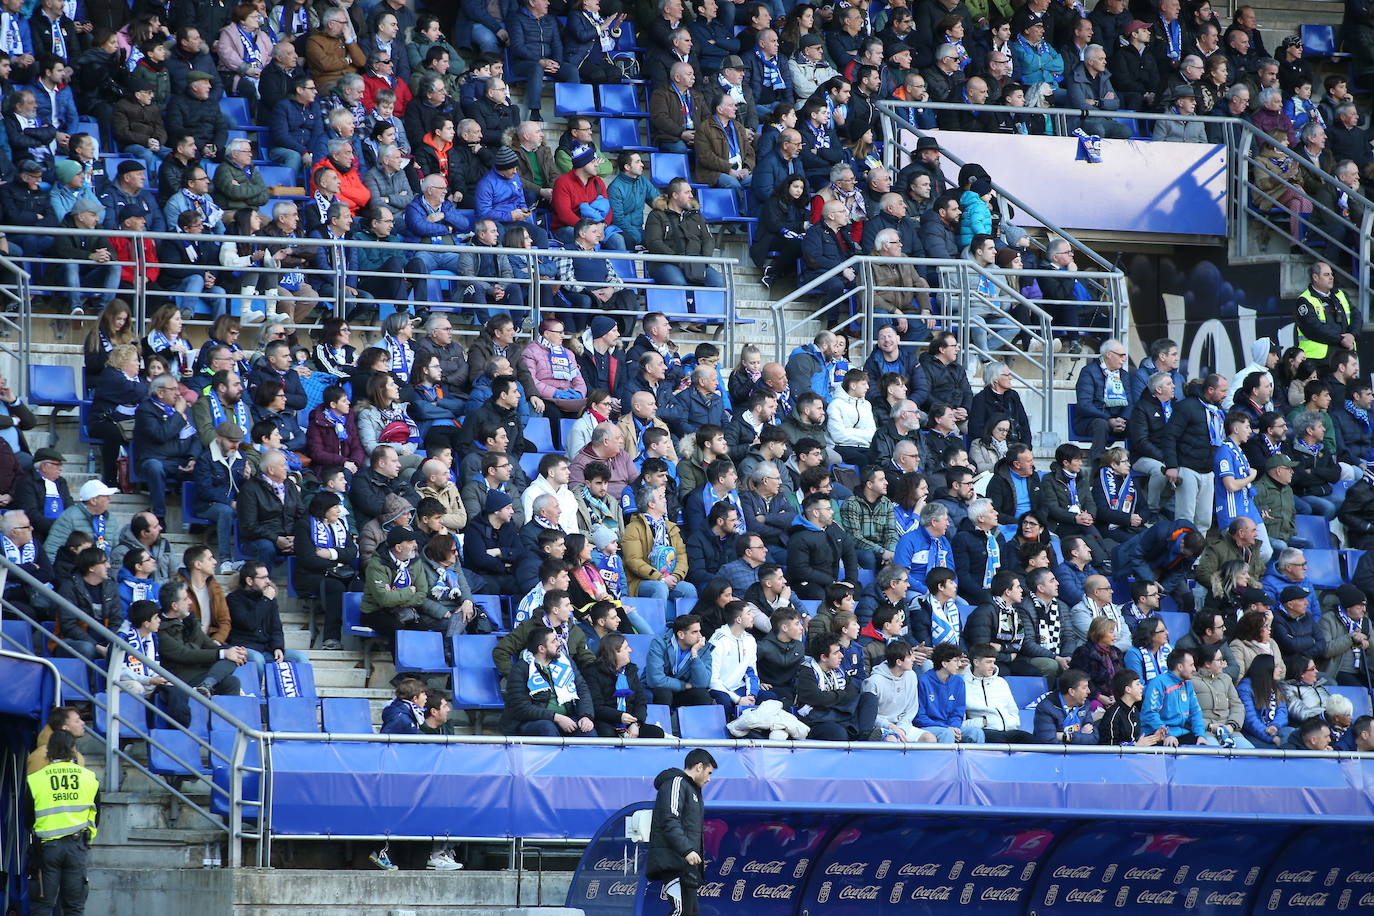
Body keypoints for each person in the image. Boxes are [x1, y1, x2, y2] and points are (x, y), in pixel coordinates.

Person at [27, 731, 98, 916]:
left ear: (49, 751)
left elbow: (28, 817)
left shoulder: (35, 780)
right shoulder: (89, 777)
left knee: (43, 905)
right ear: (73, 750)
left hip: (48, 848)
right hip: (77, 846)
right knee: (74, 906)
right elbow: (96, 813)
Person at [648, 747, 716, 916]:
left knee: (691, 912)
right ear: (699, 767)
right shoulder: (676, 782)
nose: (709, 779)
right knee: (681, 911)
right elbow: (669, 819)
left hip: (685, 864)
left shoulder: (693, 789)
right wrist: (687, 850)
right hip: (673, 860)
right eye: (709, 772)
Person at [501, 625, 597, 737]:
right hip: (530, 723)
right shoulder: (521, 669)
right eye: (553, 641)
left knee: (588, 731)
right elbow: (521, 708)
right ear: (541, 649)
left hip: (567, 718)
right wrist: (556, 717)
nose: (558, 643)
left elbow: (582, 690)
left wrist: (585, 716)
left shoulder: (566, 662)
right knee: (547, 728)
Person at [226, 562, 311, 687]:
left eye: (268, 577)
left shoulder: (269, 599)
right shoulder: (234, 599)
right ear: (249, 581)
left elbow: (276, 628)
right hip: (244, 648)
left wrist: (277, 647)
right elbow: (249, 623)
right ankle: (255, 696)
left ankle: (302, 698)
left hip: (266, 648)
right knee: (257, 659)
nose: (268, 581)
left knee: (300, 658)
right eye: (263, 578)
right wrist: (265, 600)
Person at [796, 632, 879, 741]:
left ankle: (864, 735)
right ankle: (856, 735)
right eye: (836, 653)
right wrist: (840, 694)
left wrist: (833, 697)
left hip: (841, 713)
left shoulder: (839, 669)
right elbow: (819, 699)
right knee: (839, 734)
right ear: (824, 657)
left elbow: (852, 692)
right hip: (818, 720)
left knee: (869, 697)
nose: (841, 656)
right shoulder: (807, 673)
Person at [914, 644, 984, 744]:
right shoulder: (923, 681)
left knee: (976, 732)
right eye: (955, 661)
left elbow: (958, 712)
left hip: (950, 727)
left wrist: (955, 727)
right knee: (947, 733)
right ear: (944, 664)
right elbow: (920, 717)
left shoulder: (959, 682)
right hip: (928, 727)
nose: (959, 665)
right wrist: (947, 727)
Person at [644, 613, 714, 708]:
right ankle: (661, 722)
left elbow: (702, 683)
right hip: (657, 689)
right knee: (664, 694)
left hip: (682, 693)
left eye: (699, 631)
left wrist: (694, 655)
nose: (700, 636)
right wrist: (684, 685)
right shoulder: (660, 643)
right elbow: (655, 679)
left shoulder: (703, 649)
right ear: (681, 634)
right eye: (694, 632)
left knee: (702, 695)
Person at [1237, 653, 1292, 746]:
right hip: (1253, 735)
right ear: (1266, 669)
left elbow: (1282, 711)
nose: (1280, 670)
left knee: (1293, 733)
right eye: (1276, 667)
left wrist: (1275, 726)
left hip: (1275, 730)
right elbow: (1250, 720)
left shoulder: (1275, 686)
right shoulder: (1245, 688)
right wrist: (1271, 737)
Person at [1033, 669, 1098, 745]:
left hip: (1079, 755)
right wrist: (1081, 733)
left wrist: (1065, 736)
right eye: (1084, 688)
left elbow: (1094, 738)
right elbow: (1049, 741)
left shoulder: (1084, 705)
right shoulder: (1046, 708)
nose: (1088, 691)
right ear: (1071, 692)